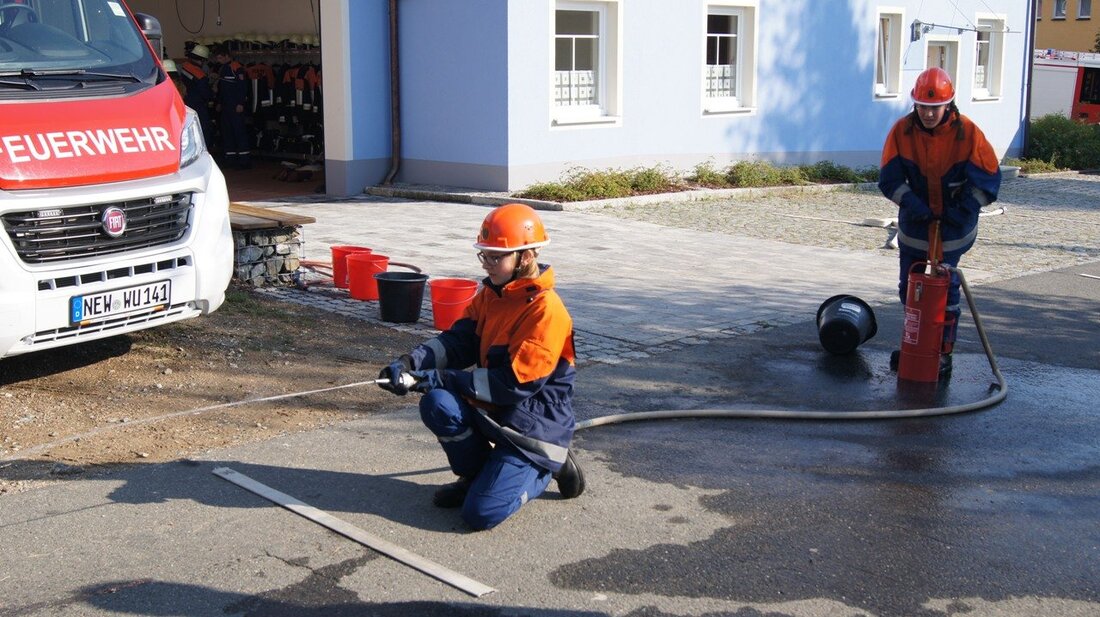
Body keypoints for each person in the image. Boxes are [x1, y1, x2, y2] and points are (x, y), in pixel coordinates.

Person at [377, 203, 585, 531]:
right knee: (438, 403)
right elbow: (458, 341)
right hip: (497, 413)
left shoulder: (547, 312)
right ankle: (475, 477)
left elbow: (512, 384)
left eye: (495, 257)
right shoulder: (491, 294)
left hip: (533, 427)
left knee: (480, 515)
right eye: (483, 255)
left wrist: (435, 377)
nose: (487, 264)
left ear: (526, 256)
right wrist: (409, 363)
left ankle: (549, 466)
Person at [879, 67, 1002, 377]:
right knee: (911, 287)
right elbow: (889, 178)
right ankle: (916, 344)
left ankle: (942, 351)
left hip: (953, 228)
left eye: (934, 107)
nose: (928, 113)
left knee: (944, 289)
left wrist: (965, 208)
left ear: (948, 105)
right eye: (923, 106)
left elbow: (988, 180)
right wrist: (911, 202)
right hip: (916, 224)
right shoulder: (902, 132)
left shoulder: (968, 133)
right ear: (915, 105)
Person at [212, 46, 252, 169]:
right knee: (227, 133)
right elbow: (222, 89)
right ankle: (230, 160)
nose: (218, 60)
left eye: (220, 57)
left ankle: (244, 161)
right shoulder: (223, 68)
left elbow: (243, 87)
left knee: (239, 132)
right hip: (225, 106)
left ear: (226, 56)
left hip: (235, 106)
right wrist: (219, 102)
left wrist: (240, 103)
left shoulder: (236, 67)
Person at [178, 44, 214, 151]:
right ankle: (203, 152)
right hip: (197, 105)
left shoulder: (183, 66)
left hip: (184, 103)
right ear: (202, 60)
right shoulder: (199, 74)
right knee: (203, 129)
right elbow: (206, 93)